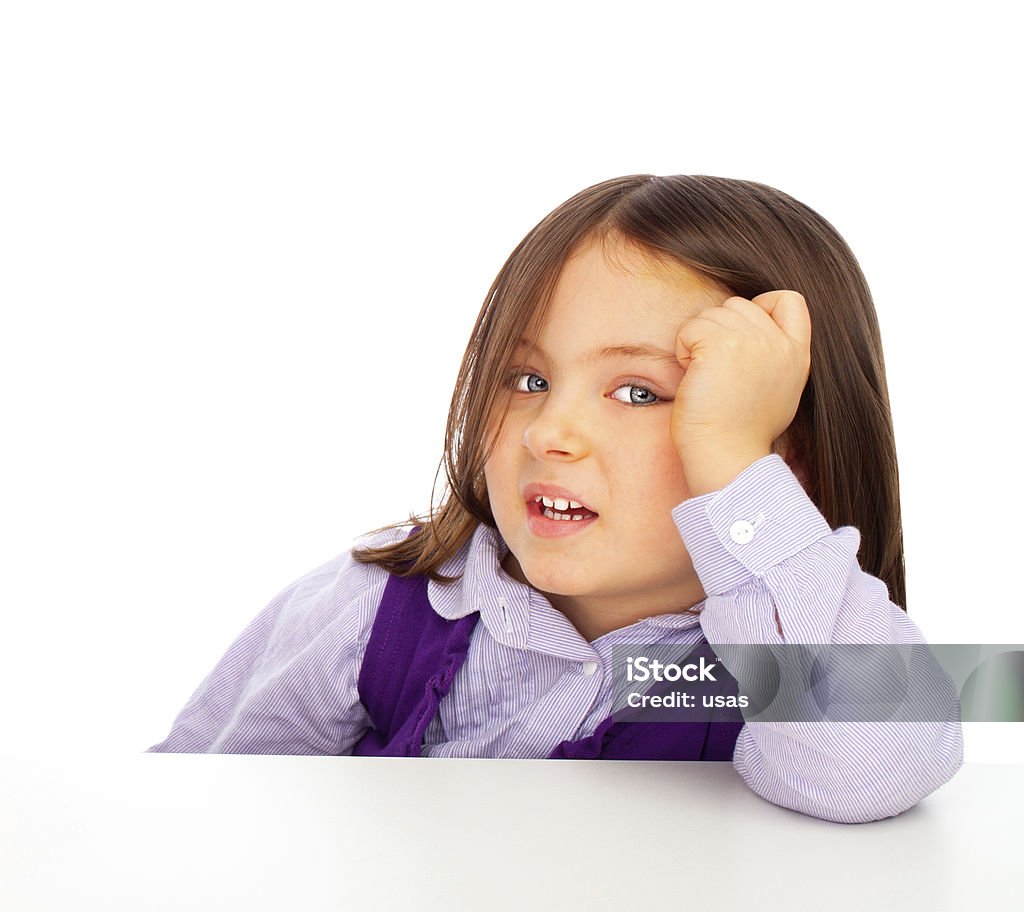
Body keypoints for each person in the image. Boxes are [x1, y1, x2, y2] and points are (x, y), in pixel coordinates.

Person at [148, 174, 963, 824]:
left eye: (640, 392)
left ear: (791, 455)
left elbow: (866, 769)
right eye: (529, 379)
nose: (549, 431)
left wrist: (730, 463)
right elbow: (194, 817)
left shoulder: (795, 644)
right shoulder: (377, 603)